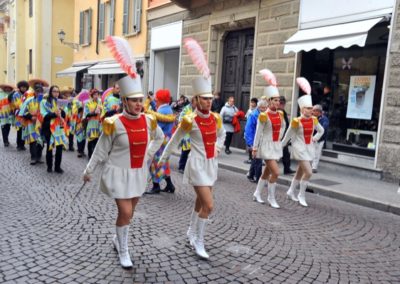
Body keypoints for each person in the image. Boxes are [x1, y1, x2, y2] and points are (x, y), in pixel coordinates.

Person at [83, 75, 164, 269]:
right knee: (126, 211)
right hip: (118, 173)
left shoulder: (148, 120)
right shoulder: (114, 122)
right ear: (124, 100)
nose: (138, 104)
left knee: (129, 213)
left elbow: (160, 138)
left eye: (140, 99)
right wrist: (89, 170)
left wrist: (148, 156)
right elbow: (101, 149)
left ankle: (117, 238)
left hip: (138, 173)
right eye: (134, 100)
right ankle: (123, 249)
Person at [159, 76, 226, 259]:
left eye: (211, 98)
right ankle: (198, 240)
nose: (209, 101)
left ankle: (191, 231)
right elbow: (175, 140)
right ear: (196, 100)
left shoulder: (216, 118)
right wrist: (162, 159)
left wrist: (218, 148)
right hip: (196, 165)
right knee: (209, 205)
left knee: (200, 202)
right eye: (205, 98)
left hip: (211, 164)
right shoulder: (189, 120)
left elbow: (222, 134)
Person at [282, 77, 325, 207]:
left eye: (311, 108)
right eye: (307, 108)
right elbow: (288, 135)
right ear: (302, 109)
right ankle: (301, 195)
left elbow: (321, 131)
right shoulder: (296, 121)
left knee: (300, 171)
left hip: (309, 147)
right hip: (299, 148)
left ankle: (290, 191)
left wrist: (315, 138)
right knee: (309, 172)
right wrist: (280, 146)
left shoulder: (314, 120)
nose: (310, 110)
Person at [251, 70, 286, 208]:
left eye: (279, 100)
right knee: (276, 172)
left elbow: (283, 127)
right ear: (269, 101)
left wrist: (280, 140)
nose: (277, 103)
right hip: (265, 146)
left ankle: (257, 193)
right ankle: (271, 198)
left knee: (266, 172)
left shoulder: (281, 114)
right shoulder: (263, 116)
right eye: (275, 100)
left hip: (275, 145)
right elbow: (258, 133)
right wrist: (254, 148)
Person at [19, 79, 48, 165]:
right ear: (34, 91)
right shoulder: (29, 100)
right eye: (37, 91)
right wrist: (31, 117)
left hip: (41, 125)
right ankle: (33, 157)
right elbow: (23, 112)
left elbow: (49, 112)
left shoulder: (45, 102)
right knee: (33, 141)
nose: (39, 93)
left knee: (41, 142)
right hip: (31, 124)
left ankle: (39, 157)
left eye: (41, 92)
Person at [40, 85, 68, 173]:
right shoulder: (44, 102)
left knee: (59, 148)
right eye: (54, 91)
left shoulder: (61, 102)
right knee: (50, 147)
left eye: (57, 91)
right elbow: (44, 115)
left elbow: (65, 115)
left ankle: (57, 167)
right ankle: (49, 166)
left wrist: (61, 111)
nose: (56, 93)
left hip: (59, 127)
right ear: (50, 92)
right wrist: (54, 114)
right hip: (49, 127)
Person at [244, 97, 267, 183]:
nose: (264, 109)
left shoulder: (264, 115)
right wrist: (250, 143)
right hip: (254, 140)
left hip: (261, 141)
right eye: (262, 108)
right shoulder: (254, 115)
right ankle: (258, 178)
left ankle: (250, 174)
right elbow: (249, 129)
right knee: (258, 160)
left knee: (256, 159)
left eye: (265, 108)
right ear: (259, 107)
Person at [178, 96, 196, 173]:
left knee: (195, 153)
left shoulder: (199, 109)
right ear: (192, 102)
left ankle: (192, 168)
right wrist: (188, 120)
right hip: (187, 134)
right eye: (196, 101)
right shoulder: (186, 108)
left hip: (195, 135)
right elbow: (181, 118)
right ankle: (181, 167)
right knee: (185, 151)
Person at [84, 89, 102, 159]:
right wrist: (94, 112)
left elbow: (103, 111)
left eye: (97, 94)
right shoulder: (88, 103)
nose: (96, 96)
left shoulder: (100, 102)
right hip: (91, 124)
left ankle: (95, 156)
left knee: (96, 141)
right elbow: (86, 114)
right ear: (92, 95)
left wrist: (101, 110)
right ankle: (90, 155)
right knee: (90, 140)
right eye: (95, 95)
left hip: (98, 124)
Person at [279, 96, 295, 174]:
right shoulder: (277, 112)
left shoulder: (283, 112)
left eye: (283, 104)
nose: (282, 105)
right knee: (277, 155)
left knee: (286, 154)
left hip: (284, 137)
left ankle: (287, 169)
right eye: (281, 103)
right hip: (279, 137)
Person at [12, 80, 30, 150]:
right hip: (18, 114)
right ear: (19, 87)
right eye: (22, 87)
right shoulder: (16, 94)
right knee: (19, 130)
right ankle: (19, 145)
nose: (24, 88)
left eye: (25, 87)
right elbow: (16, 103)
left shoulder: (27, 94)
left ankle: (22, 144)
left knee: (24, 130)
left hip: (25, 114)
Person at [312, 104, 329, 173]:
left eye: (314, 111)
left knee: (317, 153)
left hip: (320, 139)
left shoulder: (324, 119)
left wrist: (316, 137)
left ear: (318, 111)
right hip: (312, 138)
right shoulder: (312, 117)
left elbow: (323, 129)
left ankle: (314, 167)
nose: (312, 112)